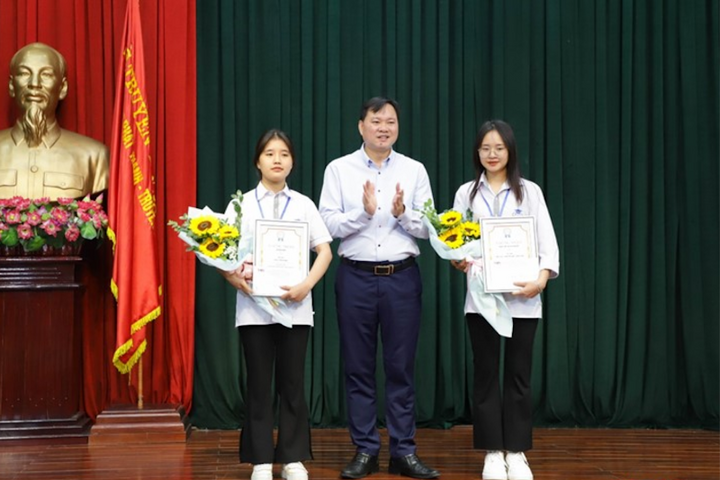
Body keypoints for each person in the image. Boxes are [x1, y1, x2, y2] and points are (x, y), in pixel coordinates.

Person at [319, 97, 440, 479]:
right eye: (376, 121)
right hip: (354, 277)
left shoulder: (414, 170)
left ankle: (404, 451)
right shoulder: (339, 169)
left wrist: (404, 214)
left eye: (390, 121)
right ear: (361, 126)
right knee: (358, 368)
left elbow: (430, 228)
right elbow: (327, 225)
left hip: (402, 278)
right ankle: (365, 449)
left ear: (397, 127)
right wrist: (364, 213)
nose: (383, 127)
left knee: (400, 368)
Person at [220, 129, 332, 480]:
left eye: (284, 154)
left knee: (293, 384)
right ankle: (261, 461)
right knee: (258, 384)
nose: (277, 160)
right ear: (258, 161)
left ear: (292, 162)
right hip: (254, 309)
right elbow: (220, 252)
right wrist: (231, 277)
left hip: (295, 308)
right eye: (270, 153)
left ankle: (293, 459)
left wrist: (307, 285)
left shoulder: (303, 204)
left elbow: (325, 250)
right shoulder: (240, 205)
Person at [451, 120, 560, 480]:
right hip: (481, 300)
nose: (492, 154)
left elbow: (547, 244)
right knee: (485, 375)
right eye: (485, 148)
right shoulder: (466, 193)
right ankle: (492, 452)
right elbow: (455, 247)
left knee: (518, 376)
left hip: (523, 299)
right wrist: (458, 258)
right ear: (477, 152)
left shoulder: (529, 192)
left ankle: (516, 452)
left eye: (498, 147)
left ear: (510, 150)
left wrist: (540, 282)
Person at [0, 42, 108, 200]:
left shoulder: (94, 157)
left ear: (62, 88)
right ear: (11, 85)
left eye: (46, 75)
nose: (34, 84)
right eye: (24, 74)